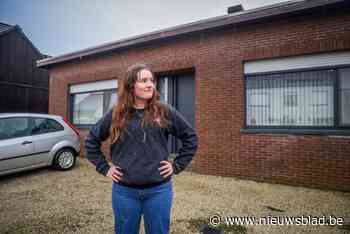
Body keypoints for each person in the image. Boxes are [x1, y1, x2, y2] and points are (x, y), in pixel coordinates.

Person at [85, 63, 198, 234]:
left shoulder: (162, 111)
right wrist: (105, 168)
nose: (150, 84)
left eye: (151, 80)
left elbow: (191, 137)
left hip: (158, 191)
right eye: (144, 80)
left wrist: (176, 166)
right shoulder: (116, 114)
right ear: (131, 86)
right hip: (124, 192)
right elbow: (91, 141)